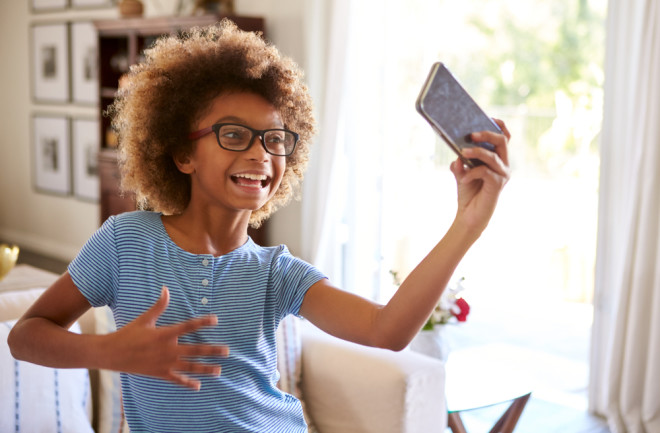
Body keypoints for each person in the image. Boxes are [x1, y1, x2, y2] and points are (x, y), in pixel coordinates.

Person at [8, 20, 510, 432]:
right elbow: (25, 336)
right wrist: (109, 351)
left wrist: (467, 224)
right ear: (182, 152)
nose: (260, 153)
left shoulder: (277, 271)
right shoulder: (123, 242)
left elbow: (387, 330)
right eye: (233, 134)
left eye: (275, 139)